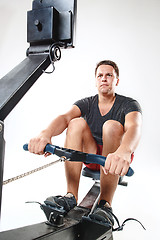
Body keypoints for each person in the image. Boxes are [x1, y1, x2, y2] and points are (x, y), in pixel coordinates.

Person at [28, 60, 142, 226]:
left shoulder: (128, 104)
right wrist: (45, 134)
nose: (104, 79)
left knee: (111, 126)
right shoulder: (87, 103)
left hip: (114, 159)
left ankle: (105, 205)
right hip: (91, 155)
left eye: (109, 75)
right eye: (100, 75)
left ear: (116, 81)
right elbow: (65, 117)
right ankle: (70, 196)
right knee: (75, 122)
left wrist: (125, 150)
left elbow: (134, 127)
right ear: (96, 81)